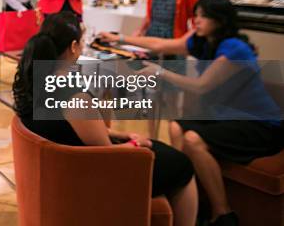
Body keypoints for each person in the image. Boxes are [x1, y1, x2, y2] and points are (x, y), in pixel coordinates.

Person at [99, 0, 282, 226]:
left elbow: (201, 86)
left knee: (194, 139)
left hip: (260, 124)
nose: (196, 21)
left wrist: (160, 72)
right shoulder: (202, 41)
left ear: (220, 20)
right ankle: (187, 200)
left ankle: (223, 214)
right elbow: (160, 44)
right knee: (175, 127)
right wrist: (119, 38)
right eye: (196, 15)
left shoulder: (235, 49)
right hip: (225, 118)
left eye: (203, 16)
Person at [13, 12, 198, 226]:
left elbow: (77, 129)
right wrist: (137, 144)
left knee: (161, 150)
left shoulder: (36, 80)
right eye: (81, 42)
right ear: (73, 47)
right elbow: (108, 155)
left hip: (66, 164)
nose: (83, 47)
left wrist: (123, 134)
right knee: (182, 165)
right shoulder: (74, 97)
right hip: (90, 174)